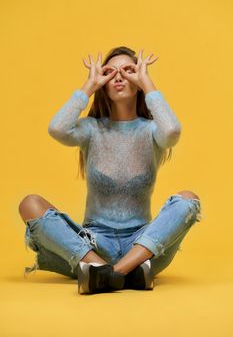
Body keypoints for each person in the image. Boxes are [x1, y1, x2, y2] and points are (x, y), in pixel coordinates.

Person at [18, 46, 202, 295]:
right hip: (92, 244)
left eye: (129, 71)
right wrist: (89, 85)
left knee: (188, 199)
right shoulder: (91, 129)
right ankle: (124, 273)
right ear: (104, 83)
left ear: (138, 82)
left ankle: (107, 275)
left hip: (143, 244)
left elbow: (172, 132)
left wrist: (147, 82)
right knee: (30, 204)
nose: (119, 77)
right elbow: (56, 129)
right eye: (110, 72)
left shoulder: (151, 131)